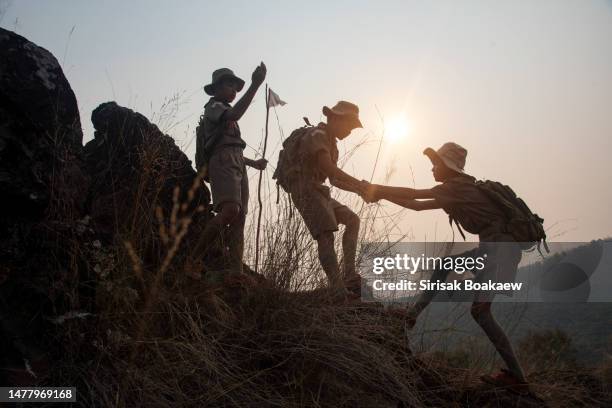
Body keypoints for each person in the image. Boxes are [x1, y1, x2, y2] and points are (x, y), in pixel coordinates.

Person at [362, 142, 529, 391]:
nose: (432, 169)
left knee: (481, 312)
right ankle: (413, 315)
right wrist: (381, 194)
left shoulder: (456, 188)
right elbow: (417, 204)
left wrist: (376, 189)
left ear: (447, 167)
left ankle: (518, 378)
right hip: (493, 249)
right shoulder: (459, 188)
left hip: (498, 252)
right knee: (446, 266)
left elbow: (415, 196)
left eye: (436, 164)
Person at [278, 101, 367, 293]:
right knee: (325, 236)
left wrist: (360, 190)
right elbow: (329, 168)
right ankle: (337, 288)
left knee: (352, 220)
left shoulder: (331, 143)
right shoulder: (317, 135)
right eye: (348, 125)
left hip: (318, 189)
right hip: (305, 188)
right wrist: (359, 184)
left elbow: (334, 179)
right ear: (334, 118)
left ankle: (349, 275)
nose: (350, 132)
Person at [194, 64, 268, 283]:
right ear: (216, 88)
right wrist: (255, 84)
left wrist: (252, 163)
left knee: (240, 218)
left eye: (236, 86)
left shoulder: (227, 115)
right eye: (229, 85)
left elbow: (232, 147)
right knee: (229, 210)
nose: (234, 90)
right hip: (222, 162)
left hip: (236, 163)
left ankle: (236, 271)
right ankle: (194, 259)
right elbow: (224, 141)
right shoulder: (214, 107)